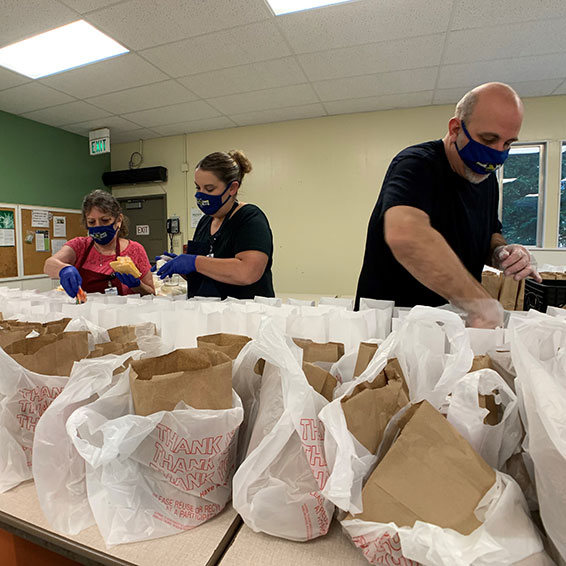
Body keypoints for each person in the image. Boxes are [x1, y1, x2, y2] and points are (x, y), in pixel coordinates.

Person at [355, 82, 541, 328]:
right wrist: (478, 302)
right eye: (489, 139)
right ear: (455, 128)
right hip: (393, 322)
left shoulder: (487, 181)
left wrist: (501, 252)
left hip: (450, 322)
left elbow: (489, 233)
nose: (498, 154)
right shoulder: (417, 164)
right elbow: (406, 234)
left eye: (508, 144)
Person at [155, 150, 274, 299]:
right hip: (208, 312)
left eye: (209, 189)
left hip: (245, 315)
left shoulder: (250, 218)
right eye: (198, 187)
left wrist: (194, 262)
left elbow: (247, 272)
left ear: (232, 188)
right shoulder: (205, 222)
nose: (201, 194)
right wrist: (179, 266)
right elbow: (205, 275)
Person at [44, 190, 155, 297]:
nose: (98, 226)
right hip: (85, 314)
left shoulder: (135, 250)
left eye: (105, 220)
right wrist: (64, 269)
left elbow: (151, 294)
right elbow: (49, 264)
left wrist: (137, 285)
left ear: (119, 220)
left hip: (122, 314)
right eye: (92, 222)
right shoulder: (80, 246)